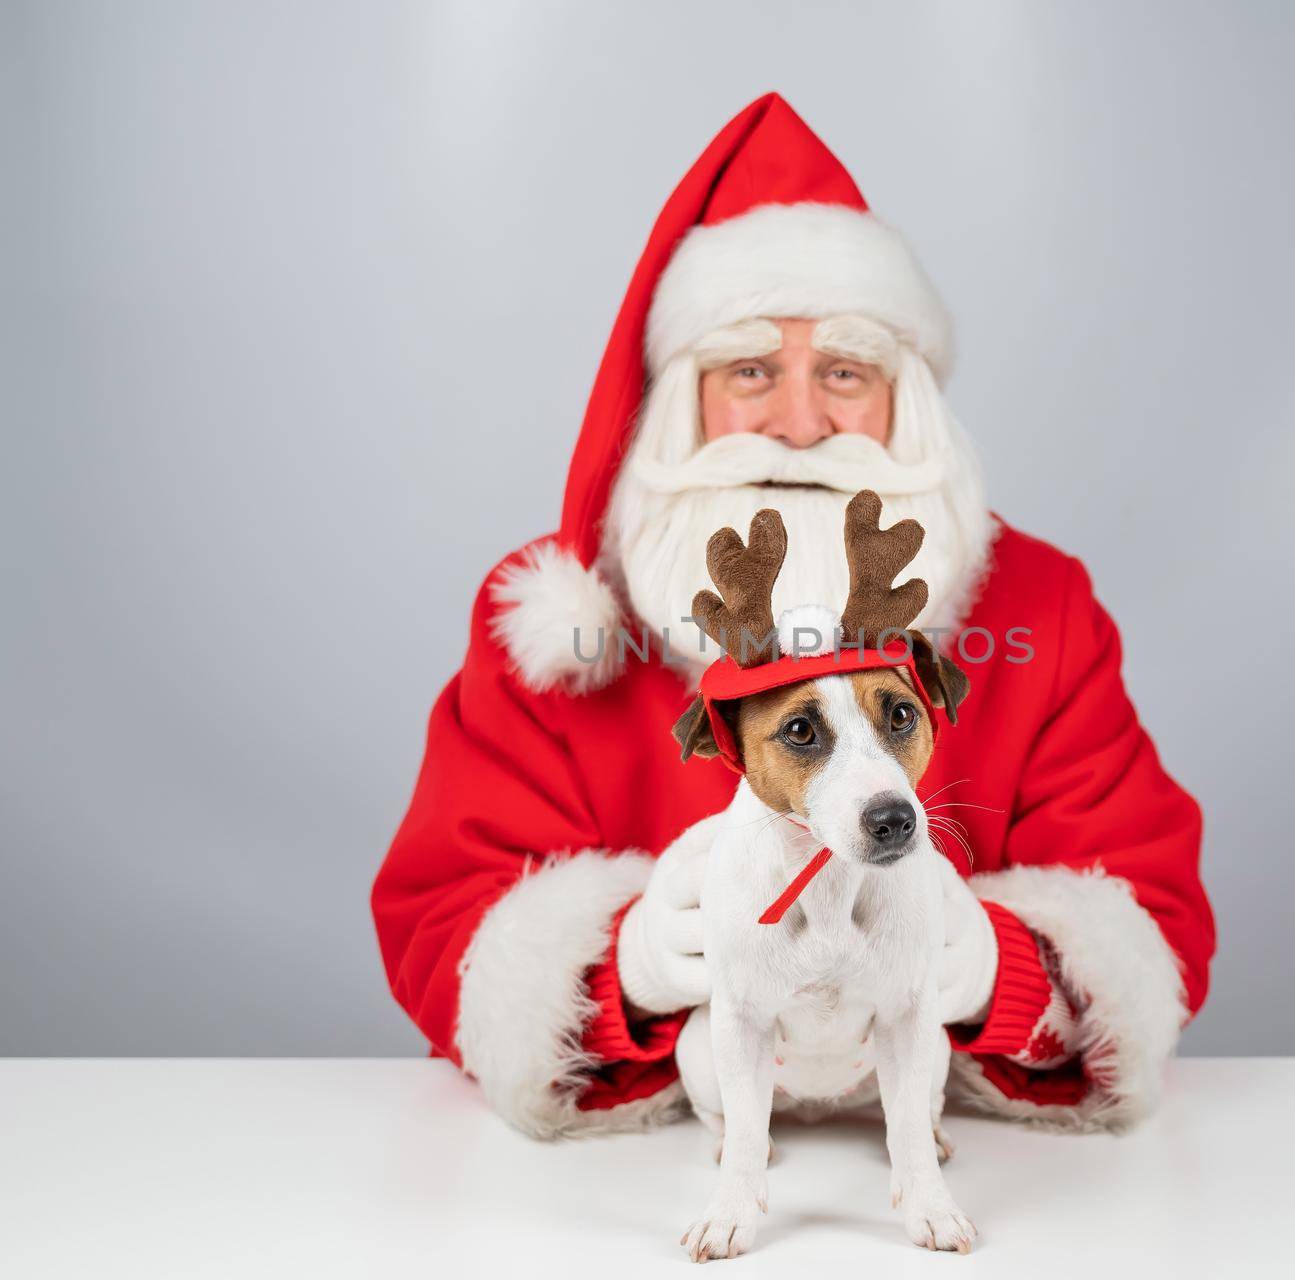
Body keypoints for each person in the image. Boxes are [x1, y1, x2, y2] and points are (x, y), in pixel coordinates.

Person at [371, 93, 1215, 1140]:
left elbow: (1154, 916)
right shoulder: (556, 631)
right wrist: (619, 969)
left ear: (906, 403)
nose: (805, 424)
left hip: (957, 1163)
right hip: (641, 1181)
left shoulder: (1040, 606)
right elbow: (439, 917)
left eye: (847, 373)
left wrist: (995, 967)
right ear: (682, 403)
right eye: (752, 371)